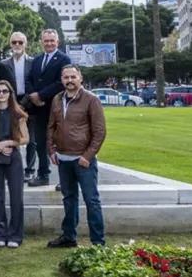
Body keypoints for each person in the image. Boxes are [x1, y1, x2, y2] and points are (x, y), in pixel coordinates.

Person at [46, 65, 107, 248]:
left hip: (83, 161)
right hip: (63, 160)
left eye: (73, 76)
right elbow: (51, 127)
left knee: (91, 200)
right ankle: (69, 237)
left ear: (80, 78)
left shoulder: (91, 100)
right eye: (66, 77)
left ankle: (98, 242)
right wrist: (51, 150)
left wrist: (88, 156)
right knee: (69, 199)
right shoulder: (57, 99)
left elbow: (100, 131)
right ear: (62, 80)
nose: (70, 80)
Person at [26, 29, 71, 187]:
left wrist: (41, 95)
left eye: (52, 40)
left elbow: (62, 82)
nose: (49, 43)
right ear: (42, 42)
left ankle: (65, 180)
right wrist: (33, 95)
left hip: (56, 107)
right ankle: (43, 174)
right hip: (38, 109)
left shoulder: (64, 59)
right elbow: (29, 79)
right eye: (46, 41)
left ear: (57, 42)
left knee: (60, 143)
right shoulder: (37, 60)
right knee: (40, 142)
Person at [0, 80, 29, 248]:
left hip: (14, 158)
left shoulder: (18, 113)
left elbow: (25, 138)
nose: (2, 94)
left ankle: (15, 235)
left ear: (10, 93)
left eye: (5, 91)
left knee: (16, 196)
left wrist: (8, 143)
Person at [1, 32, 35, 181]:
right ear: (10, 44)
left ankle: (30, 169)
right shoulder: (3, 64)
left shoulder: (33, 63)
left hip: (30, 103)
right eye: (14, 42)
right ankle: (10, 168)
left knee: (31, 139)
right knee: (10, 136)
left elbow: (34, 84)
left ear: (25, 44)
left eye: (20, 42)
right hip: (10, 102)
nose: (17, 45)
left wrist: (24, 103)